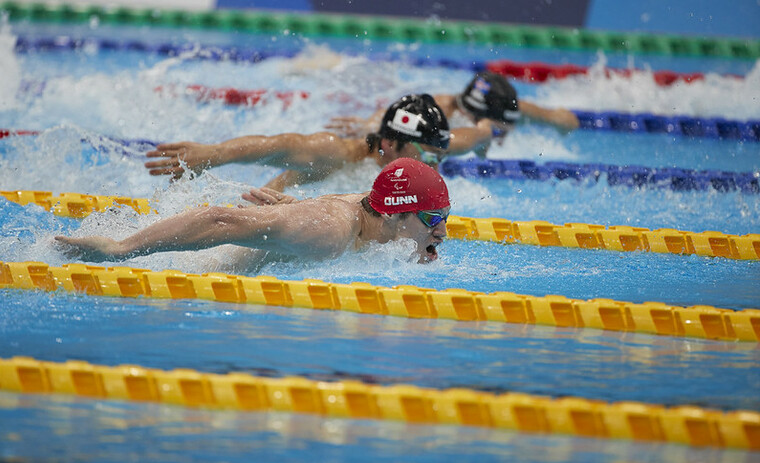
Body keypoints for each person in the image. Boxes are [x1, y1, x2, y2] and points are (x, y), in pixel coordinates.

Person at [55, 158, 451, 266]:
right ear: (398, 213)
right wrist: (120, 249)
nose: (443, 233)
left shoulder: (364, 211)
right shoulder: (329, 232)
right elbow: (219, 219)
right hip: (193, 268)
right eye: (433, 220)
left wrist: (299, 211)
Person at [144, 94, 451, 192]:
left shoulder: (394, 171)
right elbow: (282, 144)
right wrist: (215, 153)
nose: (434, 166)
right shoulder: (339, 153)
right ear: (390, 142)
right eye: (428, 154)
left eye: (440, 156)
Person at [327, 71, 580, 156]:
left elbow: (568, 120)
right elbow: (389, 117)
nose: (503, 133)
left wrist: (560, 123)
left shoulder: (510, 109)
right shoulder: (440, 110)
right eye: (497, 128)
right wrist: (369, 126)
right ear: (472, 116)